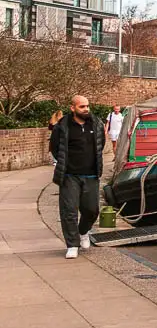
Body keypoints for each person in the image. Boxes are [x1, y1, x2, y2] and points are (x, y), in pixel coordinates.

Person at [50, 95, 106, 259]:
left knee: (92, 210)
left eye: (87, 106)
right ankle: (72, 245)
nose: (86, 109)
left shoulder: (95, 124)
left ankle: (83, 232)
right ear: (72, 108)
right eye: (82, 106)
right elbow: (55, 148)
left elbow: (100, 145)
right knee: (69, 212)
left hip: (91, 175)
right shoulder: (62, 126)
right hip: (69, 176)